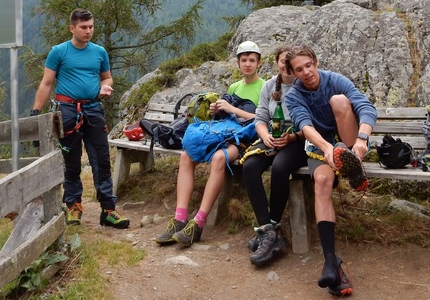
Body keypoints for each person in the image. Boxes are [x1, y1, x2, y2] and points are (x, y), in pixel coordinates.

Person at [284, 45, 376, 298]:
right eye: (299, 69)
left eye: (308, 65)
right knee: (322, 182)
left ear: (315, 62)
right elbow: (304, 125)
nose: (306, 72)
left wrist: (362, 139)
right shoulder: (293, 96)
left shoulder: (335, 80)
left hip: (350, 139)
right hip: (320, 145)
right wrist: (326, 148)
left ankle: (351, 160)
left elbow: (366, 107)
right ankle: (330, 262)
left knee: (339, 100)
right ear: (293, 73)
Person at [155, 40, 266, 247]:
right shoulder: (234, 86)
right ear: (238, 62)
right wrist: (218, 110)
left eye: (252, 60)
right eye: (244, 60)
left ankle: (198, 223)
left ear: (259, 63)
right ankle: (180, 219)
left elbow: (262, 119)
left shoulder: (264, 87)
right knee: (187, 155)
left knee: (218, 158)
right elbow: (226, 118)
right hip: (224, 134)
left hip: (246, 139)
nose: (247, 64)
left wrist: (232, 109)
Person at [31, 8, 129, 229]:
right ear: (72, 28)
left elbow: (107, 77)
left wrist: (105, 87)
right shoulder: (59, 52)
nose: (88, 31)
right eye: (83, 27)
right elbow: (46, 83)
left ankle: (108, 210)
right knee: (71, 161)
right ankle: (73, 206)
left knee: (101, 159)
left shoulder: (99, 52)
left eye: (91, 27)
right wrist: (35, 113)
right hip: (67, 110)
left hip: (93, 109)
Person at [241, 44, 308, 267]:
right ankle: (268, 230)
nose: (286, 66)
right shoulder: (269, 86)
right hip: (273, 136)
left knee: (280, 167)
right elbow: (260, 117)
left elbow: (312, 122)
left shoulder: (303, 84)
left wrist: (293, 137)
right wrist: (265, 136)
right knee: (250, 165)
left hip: (298, 139)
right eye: (282, 61)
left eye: (290, 62)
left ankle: (272, 226)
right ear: (277, 63)